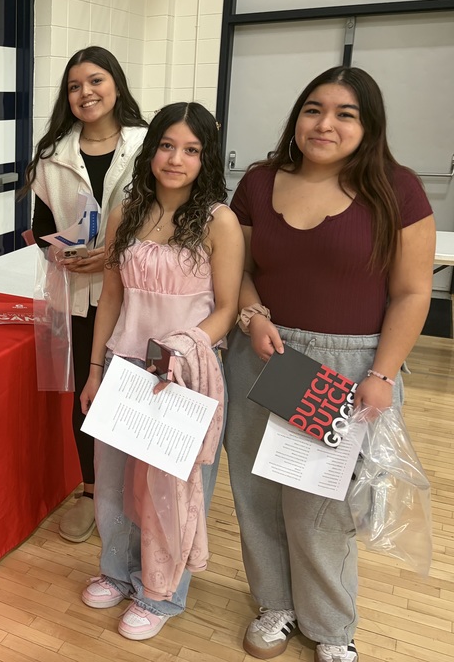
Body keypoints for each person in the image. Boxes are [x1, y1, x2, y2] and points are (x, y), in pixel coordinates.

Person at [224, 67, 435, 662]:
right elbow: (237, 269)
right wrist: (252, 314)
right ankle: (275, 603)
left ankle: (331, 626)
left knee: (323, 504)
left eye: (346, 113)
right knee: (258, 490)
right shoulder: (260, 183)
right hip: (263, 354)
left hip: (342, 367)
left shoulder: (398, 190)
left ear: (368, 126)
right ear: (297, 117)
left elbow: (414, 292)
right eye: (314, 109)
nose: (325, 124)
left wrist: (383, 373)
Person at [78, 102, 243, 640]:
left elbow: (226, 308)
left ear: (206, 158)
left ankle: (160, 591)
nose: (176, 159)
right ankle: (117, 571)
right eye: (168, 146)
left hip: (182, 374)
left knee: (168, 490)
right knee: (114, 481)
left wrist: (183, 347)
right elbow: (110, 297)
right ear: (152, 151)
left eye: (191, 150)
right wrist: (95, 368)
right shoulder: (126, 210)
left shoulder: (220, 220)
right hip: (126, 366)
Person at [22, 46, 148, 542]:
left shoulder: (147, 145)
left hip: (137, 294)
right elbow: (38, 229)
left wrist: (115, 254)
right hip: (78, 296)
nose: (85, 93)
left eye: (95, 81)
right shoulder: (53, 157)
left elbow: (169, 219)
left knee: (138, 390)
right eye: (74, 87)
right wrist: (65, 254)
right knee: (88, 395)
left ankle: (137, 492)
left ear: (116, 84)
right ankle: (94, 493)